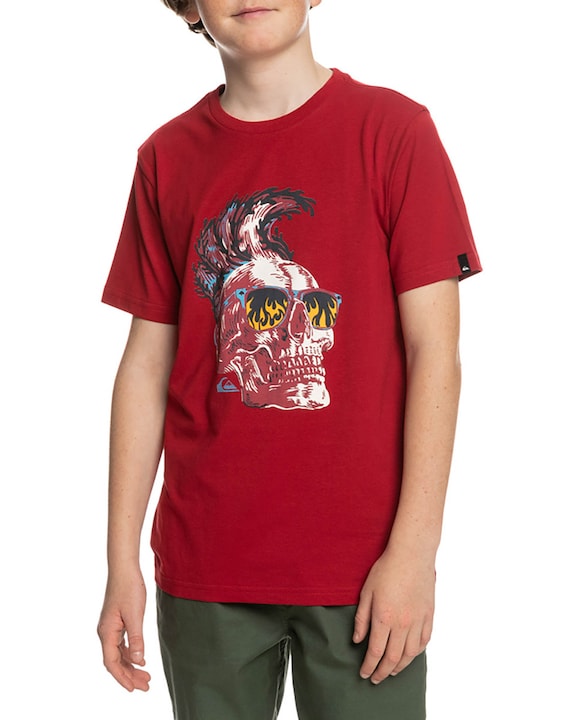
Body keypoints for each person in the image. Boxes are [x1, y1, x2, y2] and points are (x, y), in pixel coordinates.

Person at [97, 1, 482, 718]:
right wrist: (121, 561)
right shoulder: (166, 158)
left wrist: (414, 552)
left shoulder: (395, 133)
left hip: (364, 569)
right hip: (206, 562)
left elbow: (435, 352)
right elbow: (145, 368)